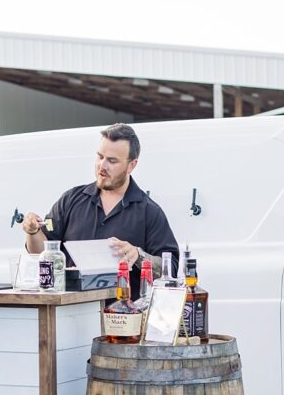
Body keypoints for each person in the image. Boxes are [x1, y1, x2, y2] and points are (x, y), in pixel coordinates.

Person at [21, 123, 178, 298]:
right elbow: (41, 254)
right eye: (100, 156)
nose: (102, 166)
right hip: (71, 315)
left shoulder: (149, 211)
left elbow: (170, 267)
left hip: (123, 318)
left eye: (112, 161)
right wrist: (33, 231)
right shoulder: (71, 200)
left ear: (131, 165)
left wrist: (138, 255)